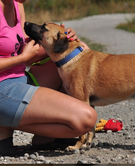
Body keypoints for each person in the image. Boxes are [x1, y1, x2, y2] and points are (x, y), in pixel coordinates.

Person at [0, 0, 97, 155]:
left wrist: (60, 42)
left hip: (19, 77)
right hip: (3, 87)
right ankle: (4, 124)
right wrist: (21, 58)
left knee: (77, 51)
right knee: (86, 119)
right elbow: (23, 57)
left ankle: (45, 138)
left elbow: (25, 52)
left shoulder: (17, 4)